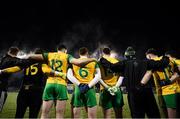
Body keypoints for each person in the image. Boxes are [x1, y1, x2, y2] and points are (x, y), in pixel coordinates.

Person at [22, 44, 96, 118]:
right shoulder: (67, 56)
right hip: (61, 85)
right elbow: (78, 62)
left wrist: (22, 57)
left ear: (57, 50)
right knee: (59, 114)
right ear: (65, 50)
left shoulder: (49, 55)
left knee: (44, 113)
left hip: (49, 84)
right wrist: (92, 59)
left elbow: (31, 56)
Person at [99, 46, 170, 118]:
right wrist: (166, 57)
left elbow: (111, 66)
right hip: (147, 92)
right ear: (134, 55)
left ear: (126, 56)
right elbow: (162, 63)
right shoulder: (145, 62)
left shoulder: (124, 63)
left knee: (137, 116)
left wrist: (102, 59)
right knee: (154, 115)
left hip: (133, 94)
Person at [67, 47, 101, 118]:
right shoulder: (93, 62)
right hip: (90, 89)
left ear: (79, 54)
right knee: (92, 117)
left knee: (76, 116)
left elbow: (69, 75)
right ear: (87, 53)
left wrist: (80, 84)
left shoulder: (74, 62)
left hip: (78, 89)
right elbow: (98, 76)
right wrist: (88, 86)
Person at [145, 48, 179, 118]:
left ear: (149, 56)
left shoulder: (153, 63)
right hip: (177, 89)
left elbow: (148, 75)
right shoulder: (168, 59)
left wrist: (141, 84)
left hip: (168, 90)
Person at [98, 47, 124, 118]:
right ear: (110, 53)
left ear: (103, 53)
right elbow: (121, 76)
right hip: (116, 89)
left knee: (107, 116)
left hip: (104, 89)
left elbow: (98, 77)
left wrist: (107, 87)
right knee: (119, 115)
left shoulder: (99, 62)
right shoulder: (116, 61)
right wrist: (116, 87)